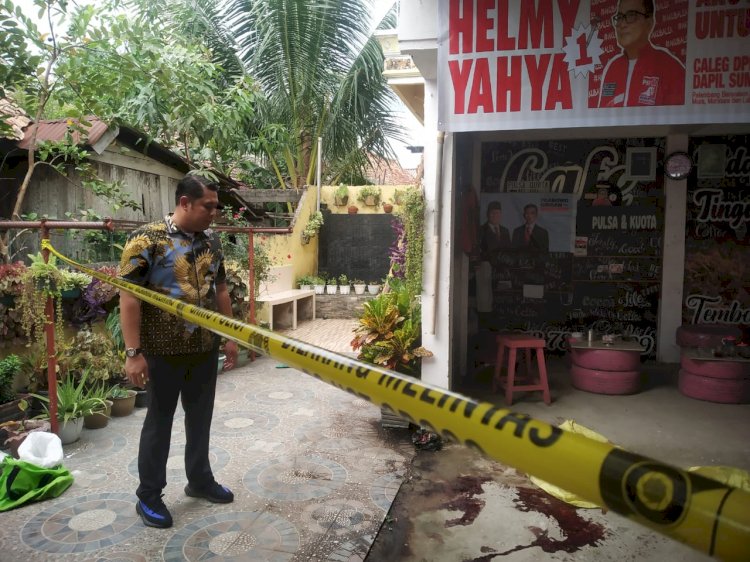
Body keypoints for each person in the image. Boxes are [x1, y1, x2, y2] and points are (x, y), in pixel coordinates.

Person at [119, 174, 239, 529]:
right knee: (160, 421)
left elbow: (220, 291)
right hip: (161, 352)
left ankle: (199, 481)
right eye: (209, 206)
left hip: (203, 348)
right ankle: (149, 497)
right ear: (185, 202)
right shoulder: (146, 239)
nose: (214, 212)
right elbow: (128, 297)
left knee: (200, 417)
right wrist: (132, 352)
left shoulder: (211, 241)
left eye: (217, 206)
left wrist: (230, 336)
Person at [597, 0, 685, 108]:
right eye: (619, 17)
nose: (622, 24)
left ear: (649, 23)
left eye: (631, 15)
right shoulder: (613, 67)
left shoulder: (670, 68)